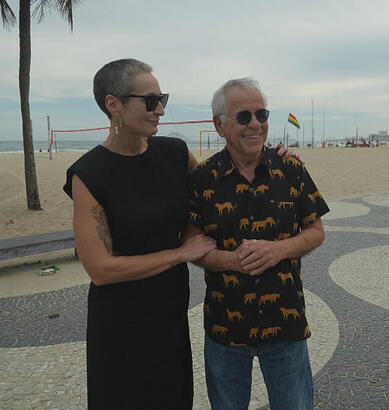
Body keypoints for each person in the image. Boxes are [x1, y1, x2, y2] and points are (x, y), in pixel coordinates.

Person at [63, 59, 217, 409]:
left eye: (162, 98)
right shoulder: (89, 174)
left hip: (169, 315)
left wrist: (273, 158)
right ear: (113, 104)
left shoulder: (174, 153)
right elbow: (101, 269)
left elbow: (213, 189)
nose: (160, 109)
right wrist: (181, 253)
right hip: (120, 326)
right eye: (150, 101)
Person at [184, 77, 329, 409]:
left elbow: (316, 231)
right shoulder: (201, 179)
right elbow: (194, 246)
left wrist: (276, 250)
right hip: (225, 326)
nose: (256, 124)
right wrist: (233, 261)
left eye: (261, 114)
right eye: (244, 116)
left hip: (285, 323)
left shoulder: (291, 168)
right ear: (219, 126)